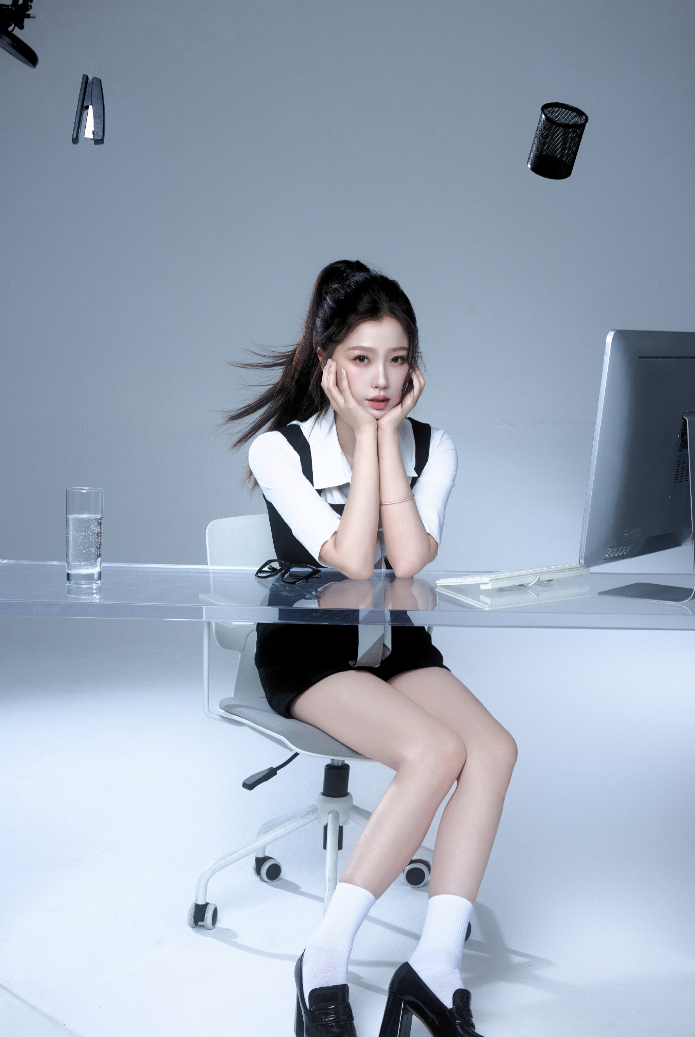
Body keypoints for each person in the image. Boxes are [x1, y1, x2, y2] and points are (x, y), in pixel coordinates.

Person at [225, 260, 517, 1037]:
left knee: (492, 749)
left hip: (394, 646)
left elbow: (410, 559)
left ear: (414, 364)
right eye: (360, 359)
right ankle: (323, 957)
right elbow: (354, 561)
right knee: (435, 751)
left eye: (396, 359)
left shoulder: (434, 445)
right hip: (309, 652)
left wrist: (385, 440)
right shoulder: (279, 450)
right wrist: (370, 440)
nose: (381, 379)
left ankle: (435, 967)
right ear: (329, 365)